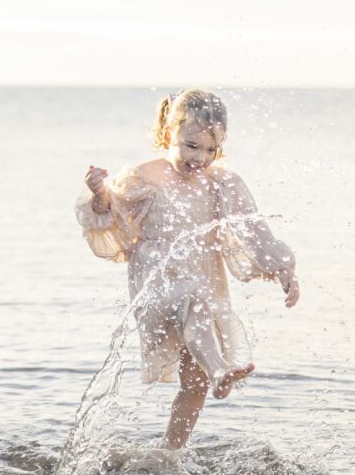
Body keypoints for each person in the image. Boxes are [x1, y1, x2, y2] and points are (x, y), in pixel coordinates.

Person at [74, 88, 300, 452]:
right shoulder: (143, 176)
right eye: (191, 146)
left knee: (192, 383)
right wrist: (99, 191)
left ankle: (169, 453)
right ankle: (221, 371)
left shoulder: (221, 182)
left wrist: (284, 270)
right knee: (194, 303)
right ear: (168, 135)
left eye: (211, 150)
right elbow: (108, 215)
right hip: (157, 285)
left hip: (201, 280)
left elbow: (255, 231)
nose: (201, 158)